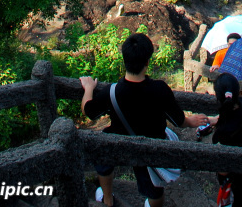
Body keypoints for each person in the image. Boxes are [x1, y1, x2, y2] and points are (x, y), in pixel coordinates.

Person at [81, 32, 209, 207]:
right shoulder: (160, 89)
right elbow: (179, 121)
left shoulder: (111, 92)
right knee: (154, 190)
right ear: (147, 62)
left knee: (103, 149)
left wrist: (88, 88)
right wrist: (191, 121)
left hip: (120, 143)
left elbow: (89, 111)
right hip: (150, 147)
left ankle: (108, 199)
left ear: (124, 61)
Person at [211, 73, 242, 207]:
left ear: (217, 96)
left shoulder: (221, 134)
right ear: (238, 92)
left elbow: (223, 170)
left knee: (236, 199)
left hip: (233, 174)